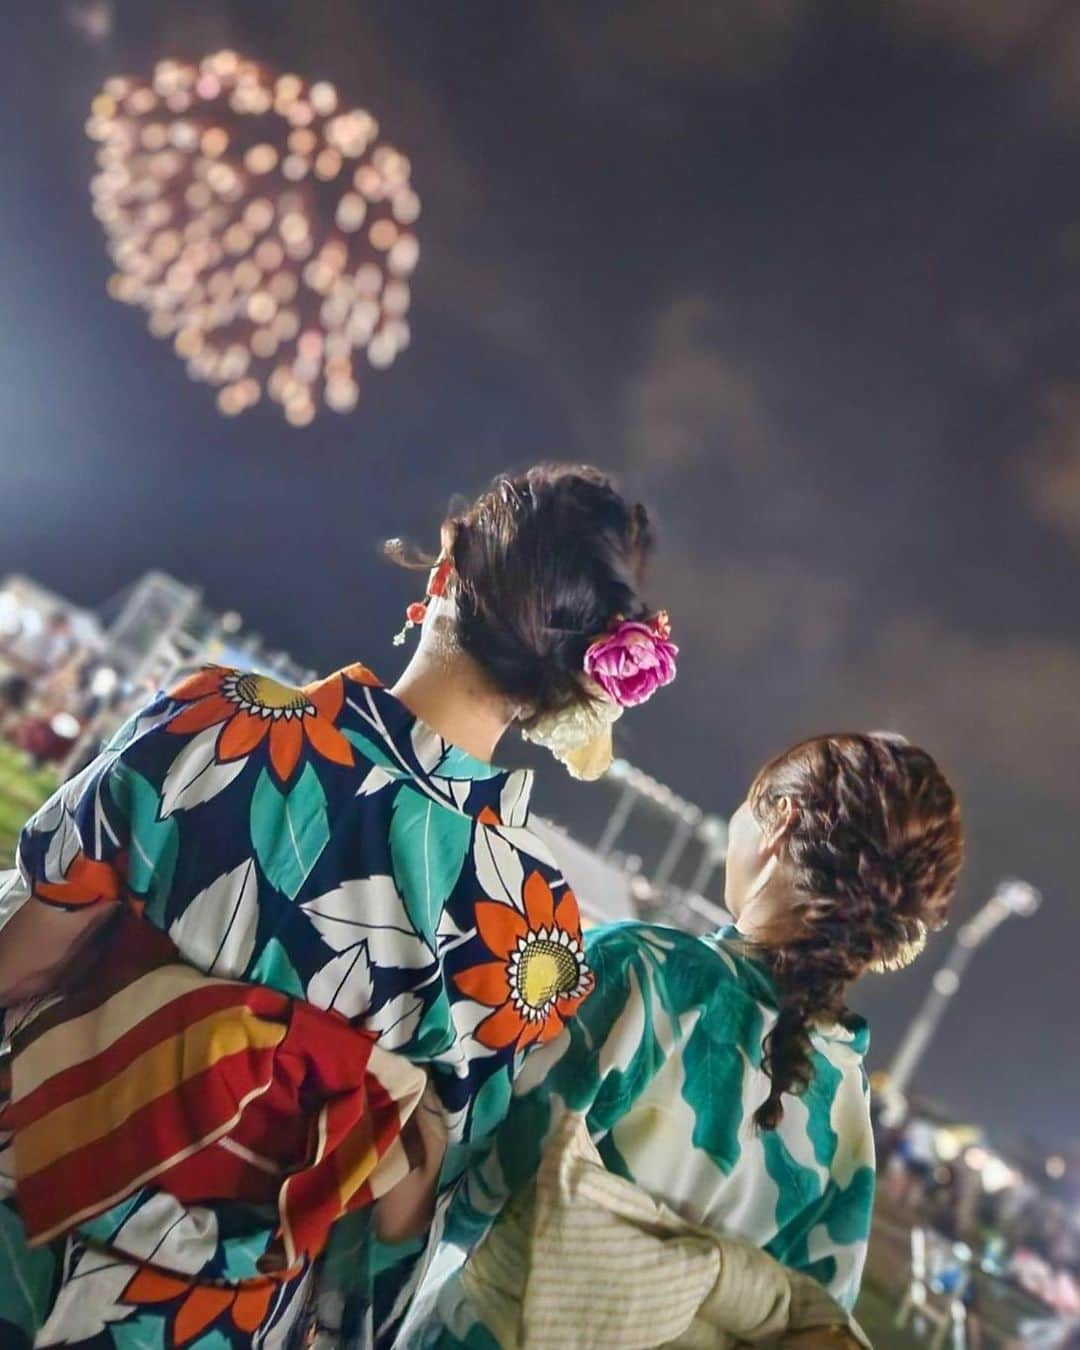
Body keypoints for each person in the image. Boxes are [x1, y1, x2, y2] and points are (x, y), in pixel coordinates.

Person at [0, 464, 676, 1349]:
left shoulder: (216, 719)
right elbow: (402, 1213)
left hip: (29, 1204)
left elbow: (22, 957)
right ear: (569, 685)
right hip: (211, 1317)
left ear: (444, 571)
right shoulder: (536, 929)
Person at [408, 732, 964, 1346]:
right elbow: (812, 1316)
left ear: (782, 822)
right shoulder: (850, 1110)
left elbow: (474, 1185)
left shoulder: (642, 972)